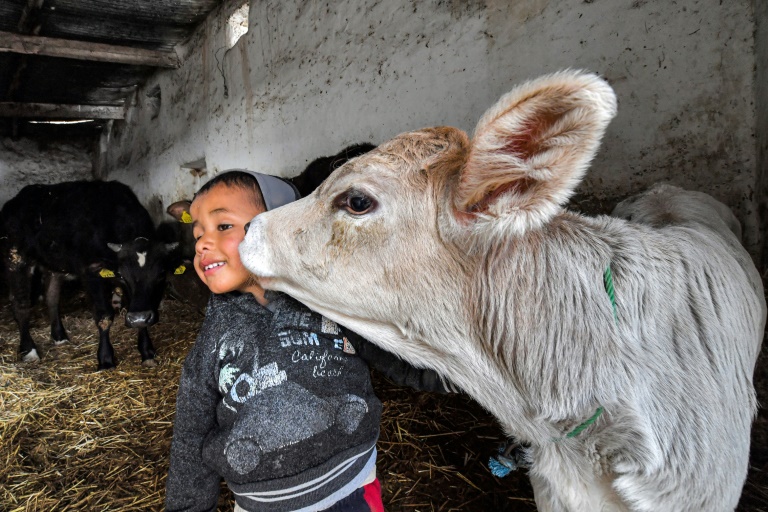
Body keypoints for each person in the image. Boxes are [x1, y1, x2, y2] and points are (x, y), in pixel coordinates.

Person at [165, 170, 386, 512]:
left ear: (280, 226)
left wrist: (442, 374)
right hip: (264, 505)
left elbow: (391, 348)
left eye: (223, 227)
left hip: (353, 486)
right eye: (198, 234)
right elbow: (191, 434)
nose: (201, 244)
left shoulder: (330, 300)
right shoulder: (212, 342)